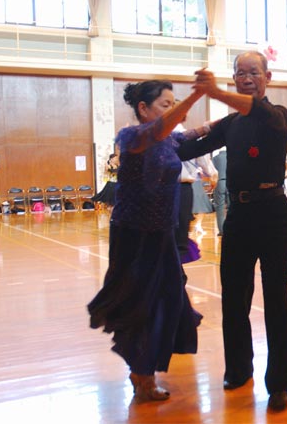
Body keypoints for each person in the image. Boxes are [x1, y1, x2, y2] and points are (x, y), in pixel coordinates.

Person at [177, 51, 287, 412]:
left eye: (254, 72)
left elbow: (256, 110)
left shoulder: (278, 115)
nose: (246, 78)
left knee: (276, 297)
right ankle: (238, 369)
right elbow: (188, 147)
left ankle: (281, 383)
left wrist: (215, 92)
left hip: (273, 213)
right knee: (233, 296)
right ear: (233, 78)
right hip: (239, 214)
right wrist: (164, 126)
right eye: (240, 73)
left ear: (268, 77)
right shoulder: (230, 123)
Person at [87, 80, 206, 403]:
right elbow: (162, 129)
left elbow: (196, 133)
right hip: (134, 237)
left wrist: (236, 113)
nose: (173, 111)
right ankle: (143, 375)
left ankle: (143, 371)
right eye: (166, 104)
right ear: (143, 108)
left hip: (161, 233)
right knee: (142, 305)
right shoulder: (132, 137)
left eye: (173, 104)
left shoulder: (169, 140)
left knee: (169, 301)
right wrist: (196, 95)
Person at [212, 147, 229, 236]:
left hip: (219, 182)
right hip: (230, 182)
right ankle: (232, 228)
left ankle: (222, 230)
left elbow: (212, 173)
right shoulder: (231, 156)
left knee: (219, 207)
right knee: (231, 206)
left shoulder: (215, 158)